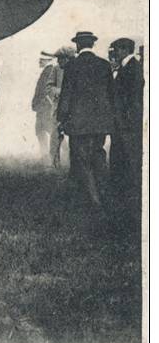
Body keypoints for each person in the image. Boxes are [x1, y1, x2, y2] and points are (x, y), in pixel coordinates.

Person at [57, 31, 115, 209]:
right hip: (100, 124)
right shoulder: (104, 65)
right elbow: (111, 95)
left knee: (82, 161)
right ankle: (105, 196)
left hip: (78, 123)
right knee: (98, 158)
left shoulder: (72, 66)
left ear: (78, 45)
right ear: (92, 44)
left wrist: (61, 119)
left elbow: (66, 95)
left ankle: (94, 201)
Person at [108, 37, 143, 209]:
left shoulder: (132, 68)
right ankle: (123, 191)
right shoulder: (129, 67)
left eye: (115, 50)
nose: (114, 53)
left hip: (126, 124)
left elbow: (133, 98)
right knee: (122, 156)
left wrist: (126, 120)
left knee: (127, 157)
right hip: (123, 122)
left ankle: (127, 192)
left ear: (123, 50)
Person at [48, 47, 76, 169]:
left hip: (74, 108)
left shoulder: (77, 69)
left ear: (68, 59)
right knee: (55, 135)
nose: (59, 62)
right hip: (58, 107)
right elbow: (49, 86)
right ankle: (54, 163)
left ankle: (74, 164)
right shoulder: (56, 69)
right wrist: (57, 91)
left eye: (61, 59)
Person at [31, 51, 59, 162]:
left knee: (50, 131)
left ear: (48, 60)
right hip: (42, 107)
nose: (39, 61)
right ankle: (45, 156)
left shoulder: (49, 70)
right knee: (41, 130)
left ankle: (58, 155)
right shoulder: (47, 70)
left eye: (42, 60)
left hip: (46, 107)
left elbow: (46, 90)